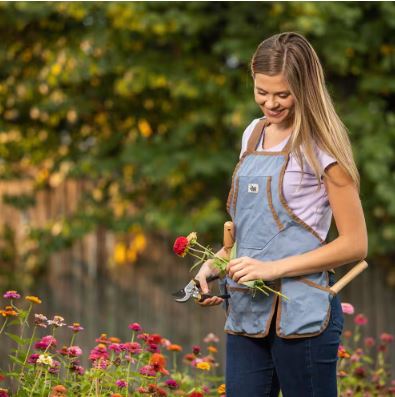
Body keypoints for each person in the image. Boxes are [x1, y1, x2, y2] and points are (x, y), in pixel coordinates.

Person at [194, 32, 368, 397]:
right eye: (261, 92)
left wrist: (272, 269)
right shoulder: (252, 135)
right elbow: (252, 230)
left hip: (303, 315)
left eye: (283, 94)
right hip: (248, 312)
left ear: (305, 89)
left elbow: (355, 244)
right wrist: (219, 262)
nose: (270, 103)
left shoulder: (322, 146)